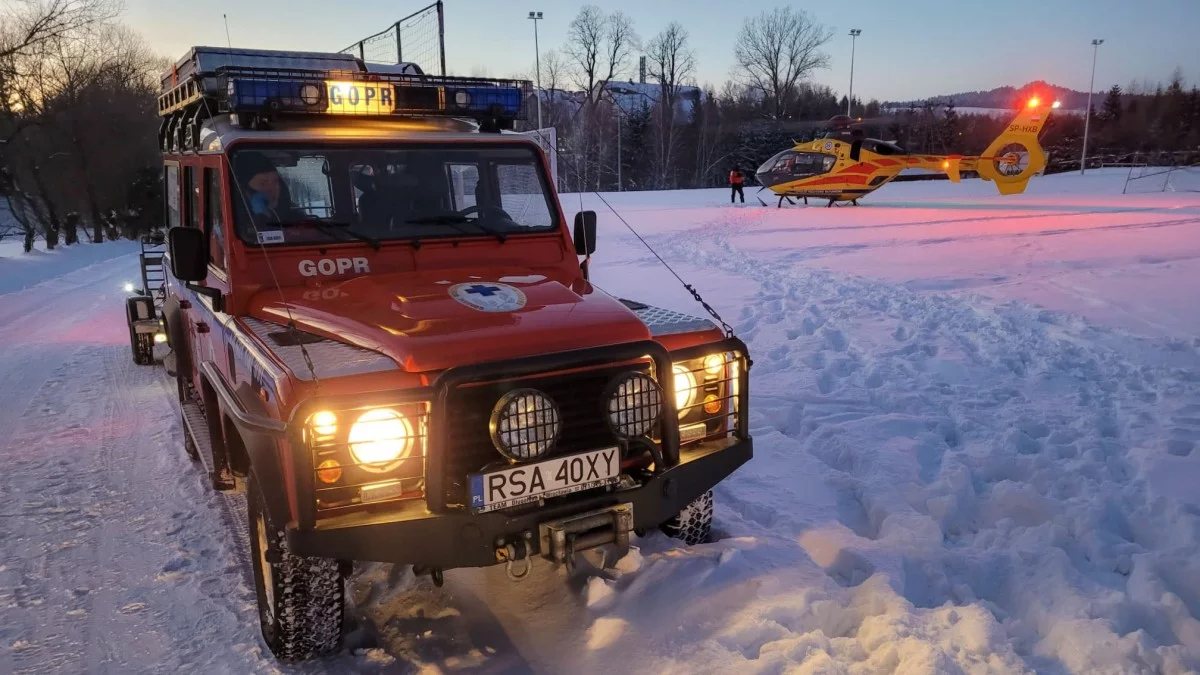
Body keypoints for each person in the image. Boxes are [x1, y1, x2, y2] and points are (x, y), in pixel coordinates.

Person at [236, 151, 303, 226]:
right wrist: (260, 218)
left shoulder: (297, 218)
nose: (272, 188)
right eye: (263, 183)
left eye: (275, 181)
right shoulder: (234, 223)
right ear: (244, 189)